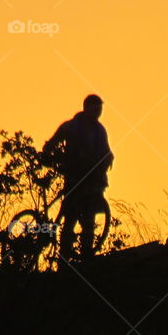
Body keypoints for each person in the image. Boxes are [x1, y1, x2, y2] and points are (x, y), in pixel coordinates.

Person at [42, 94, 114, 261]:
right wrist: (47, 155)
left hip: (93, 180)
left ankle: (86, 254)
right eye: (95, 109)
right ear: (86, 108)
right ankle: (65, 255)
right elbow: (52, 142)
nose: (98, 112)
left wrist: (108, 160)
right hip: (74, 177)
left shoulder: (99, 130)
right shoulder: (72, 126)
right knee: (71, 216)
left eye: (100, 109)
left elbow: (106, 151)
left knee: (89, 219)